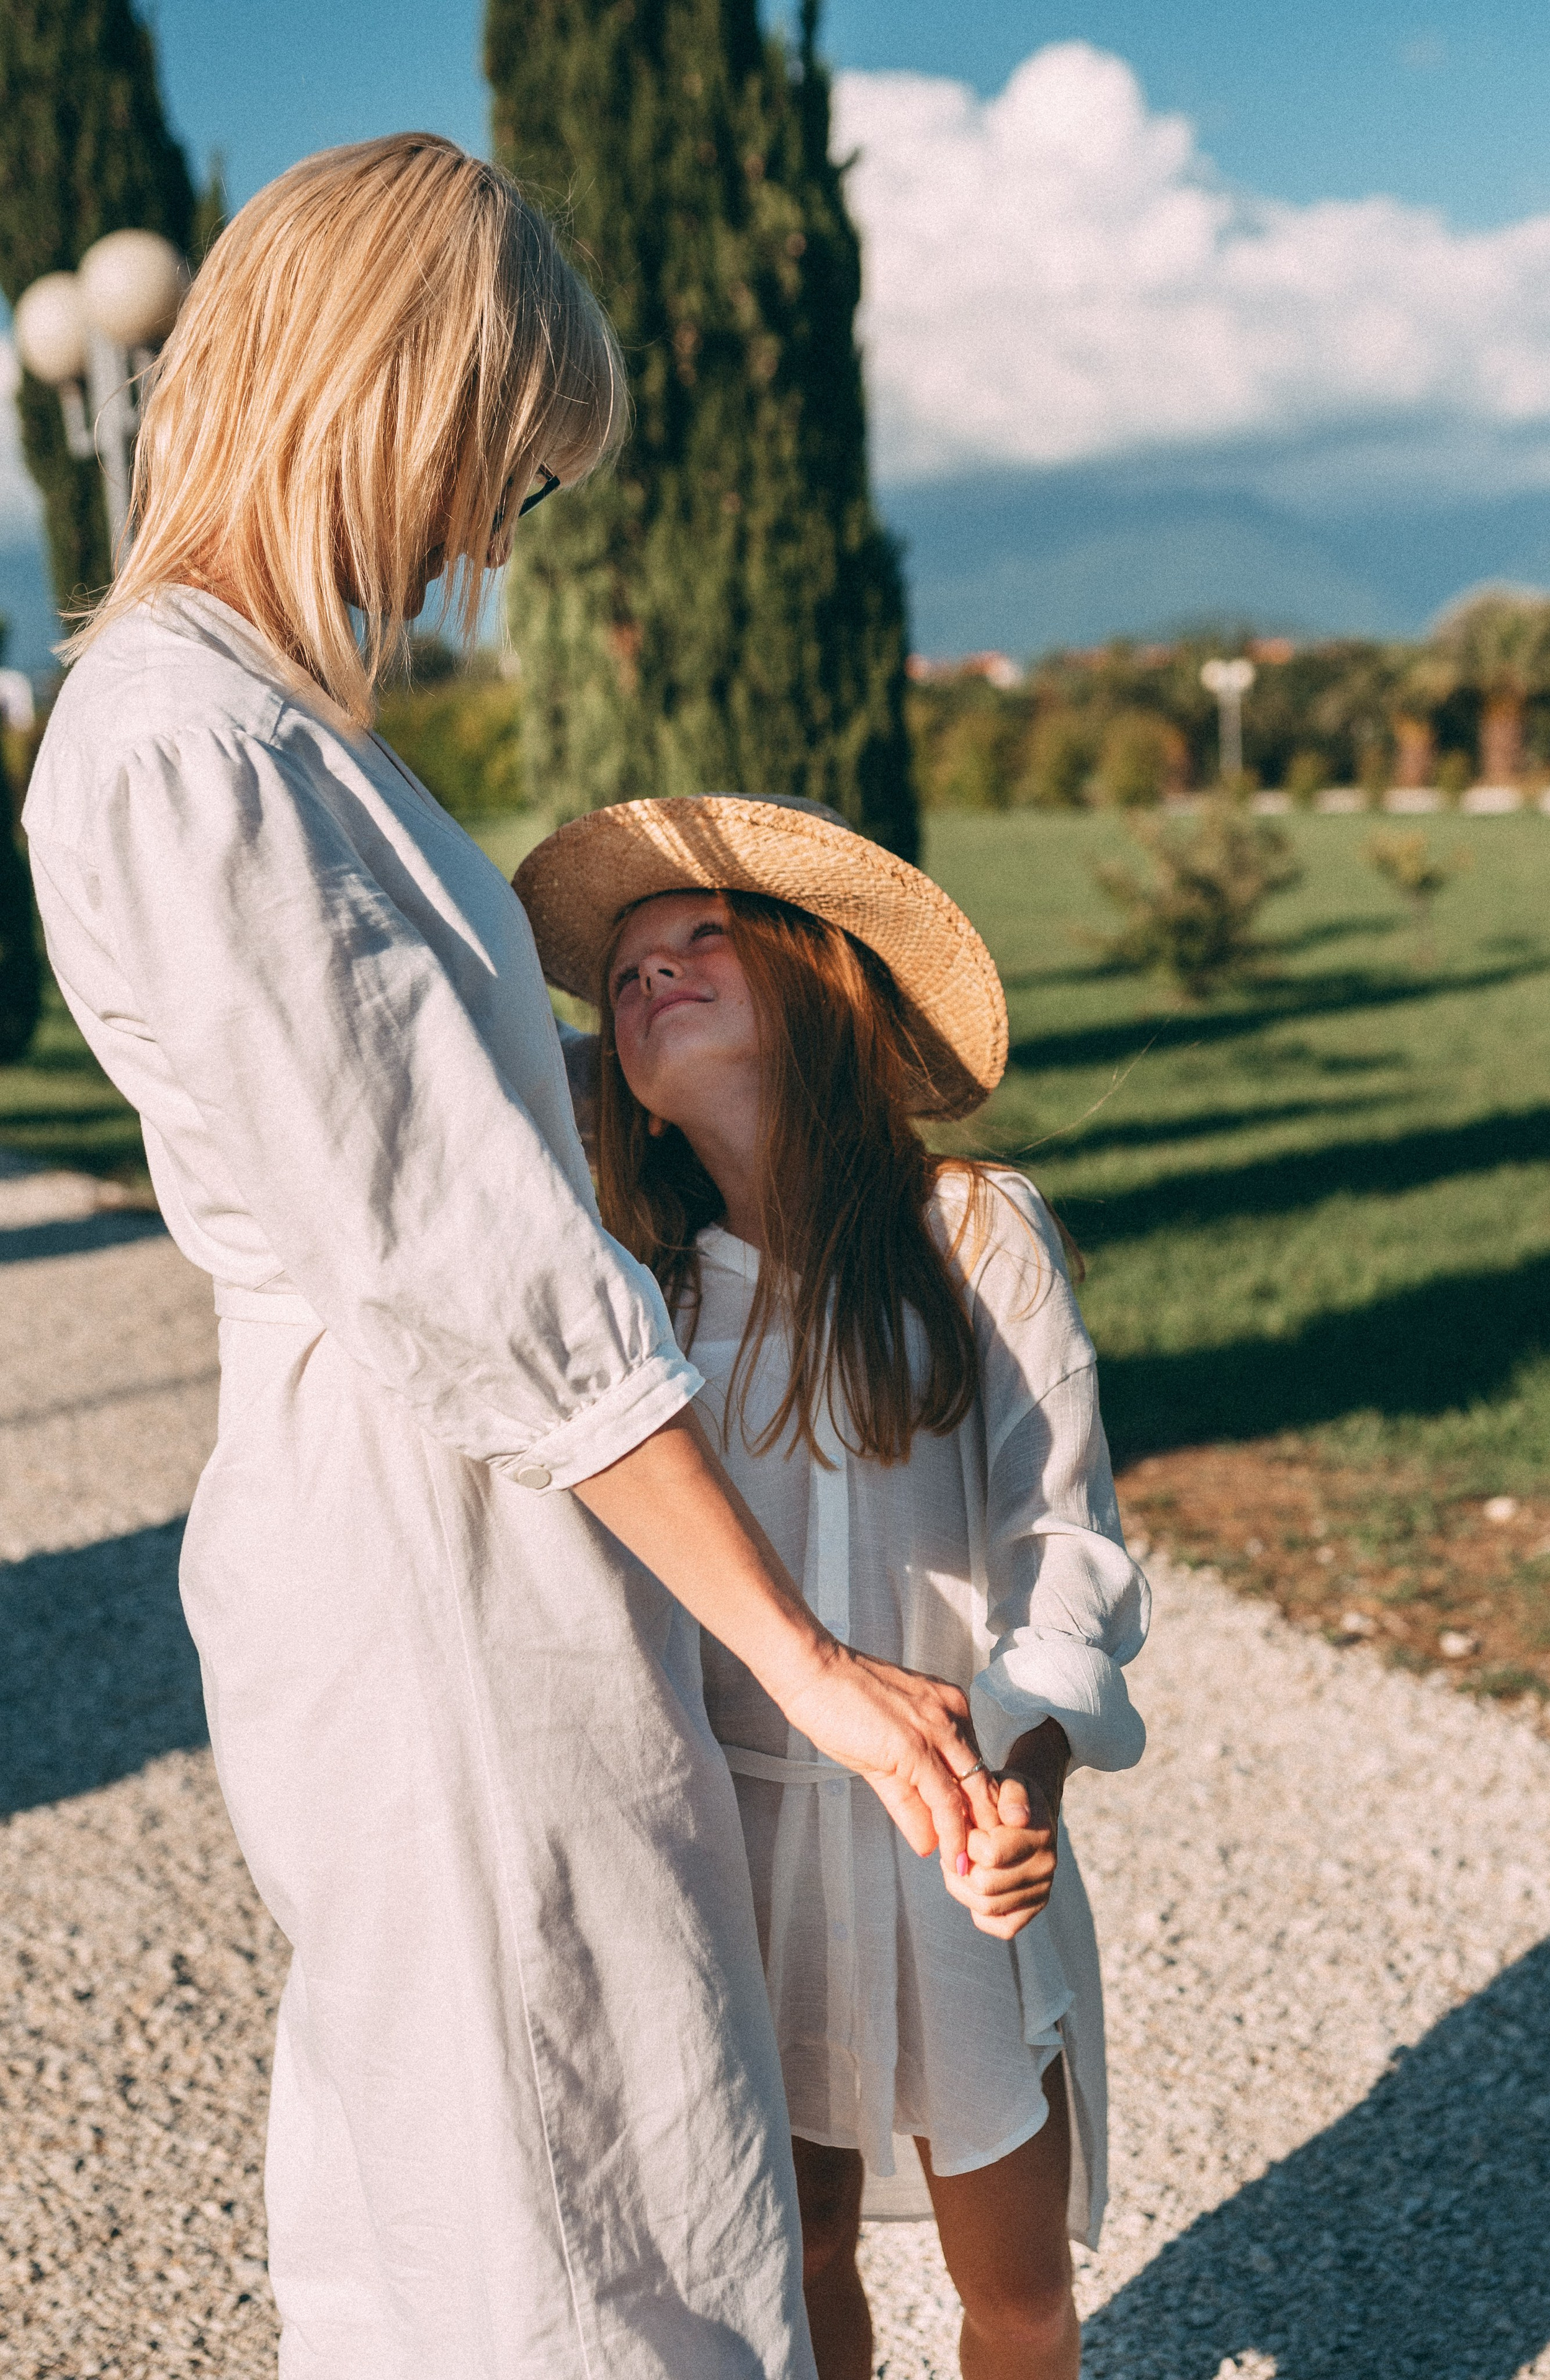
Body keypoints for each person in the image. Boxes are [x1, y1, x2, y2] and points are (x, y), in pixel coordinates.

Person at [22, 138, 997, 2380]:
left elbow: (443, 1109)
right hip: (428, 1537)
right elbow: (473, 1266)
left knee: (530, 2154)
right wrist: (810, 1658)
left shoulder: (277, 731)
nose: (485, 536)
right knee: (564, 2198)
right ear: (383, 388)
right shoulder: (192, 744)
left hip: (468, 1513)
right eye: (495, 462)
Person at [516, 796, 1152, 2380]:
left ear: (818, 979)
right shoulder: (644, 1301)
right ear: (630, 1101)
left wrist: (1023, 1763)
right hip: (736, 1836)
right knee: (789, 2258)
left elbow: (1059, 1534)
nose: (652, 975)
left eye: (699, 939)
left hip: (954, 1821)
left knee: (1009, 2280)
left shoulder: (968, 1230)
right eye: (626, 977)